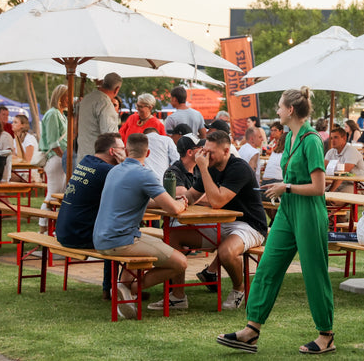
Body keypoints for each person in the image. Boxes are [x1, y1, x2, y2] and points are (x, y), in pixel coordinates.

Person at [217, 87, 334, 355]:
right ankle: (251, 330)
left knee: (314, 272)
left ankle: (326, 334)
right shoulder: (291, 138)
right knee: (268, 266)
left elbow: (319, 187)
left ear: (291, 110)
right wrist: (284, 189)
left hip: (308, 210)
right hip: (287, 211)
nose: (277, 111)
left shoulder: (311, 140)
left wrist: (286, 187)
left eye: (280, 107)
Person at [149, 130, 268, 311]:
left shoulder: (239, 168)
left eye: (210, 152)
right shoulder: (211, 167)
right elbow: (191, 195)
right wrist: (165, 203)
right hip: (223, 223)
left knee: (226, 252)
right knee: (174, 235)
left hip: (250, 225)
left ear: (227, 151)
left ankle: (238, 289)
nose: (205, 155)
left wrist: (203, 168)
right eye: (204, 150)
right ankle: (178, 296)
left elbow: (217, 201)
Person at [92, 133, 189, 319]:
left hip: (101, 238)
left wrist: (168, 200)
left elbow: (145, 200)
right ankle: (130, 289)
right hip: (122, 240)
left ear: (127, 151)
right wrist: (180, 203)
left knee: (146, 245)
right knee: (181, 263)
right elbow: (174, 210)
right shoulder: (145, 174)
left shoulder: (115, 170)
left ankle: (126, 292)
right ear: (149, 152)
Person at [56, 133, 125, 299]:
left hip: (64, 231)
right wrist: (124, 165)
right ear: (112, 152)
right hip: (77, 235)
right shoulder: (107, 170)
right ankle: (117, 289)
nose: (125, 152)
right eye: (122, 149)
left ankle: (110, 288)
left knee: (113, 231)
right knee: (120, 237)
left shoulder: (86, 161)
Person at [39, 84, 68, 232]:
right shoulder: (53, 114)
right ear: (60, 98)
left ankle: (51, 228)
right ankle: (43, 229)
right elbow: (53, 141)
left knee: (60, 194)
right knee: (53, 194)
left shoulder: (61, 114)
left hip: (61, 158)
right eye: (67, 96)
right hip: (56, 158)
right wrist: (65, 157)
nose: (69, 100)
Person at [77, 73, 122, 162]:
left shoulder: (87, 98)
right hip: (97, 162)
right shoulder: (105, 104)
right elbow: (110, 137)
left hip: (83, 157)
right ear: (117, 89)